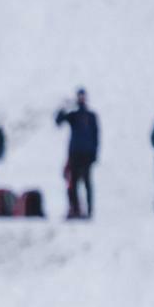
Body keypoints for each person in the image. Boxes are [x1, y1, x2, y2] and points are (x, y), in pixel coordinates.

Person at [55, 88, 99, 219]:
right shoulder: (73, 115)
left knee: (86, 182)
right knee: (72, 183)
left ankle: (89, 210)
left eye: (83, 96)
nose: (81, 99)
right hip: (74, 153)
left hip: (86, 154)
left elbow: (96, 136)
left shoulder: (91, 116)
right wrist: (64, 108)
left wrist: (95, 154)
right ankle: (74, 209)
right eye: (79, 96)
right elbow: (58, 121)